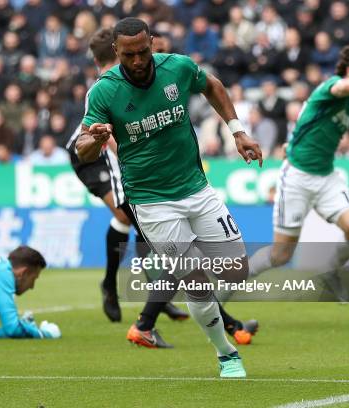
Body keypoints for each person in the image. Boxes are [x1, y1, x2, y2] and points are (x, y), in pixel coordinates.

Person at [76, 18, 262, 378]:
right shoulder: (104, 91)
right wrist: (95, 139)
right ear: (117, 52)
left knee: (236, 272)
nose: (138, 60)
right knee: (193, 280)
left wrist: (238, 132)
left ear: (152, 44)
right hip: (151, 201)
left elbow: (213, 85)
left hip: (196, 188)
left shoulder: (177, 67)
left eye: (144, 51)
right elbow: (83, 148)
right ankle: (226, 354)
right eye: (129, 54)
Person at [248, 45, 349, 302]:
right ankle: (231, 281)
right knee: (281, 256)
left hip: (326, 176)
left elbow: (309, 125)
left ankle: (330, 271)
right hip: (297, 177)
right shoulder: (333, 86)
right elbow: (341, 88)